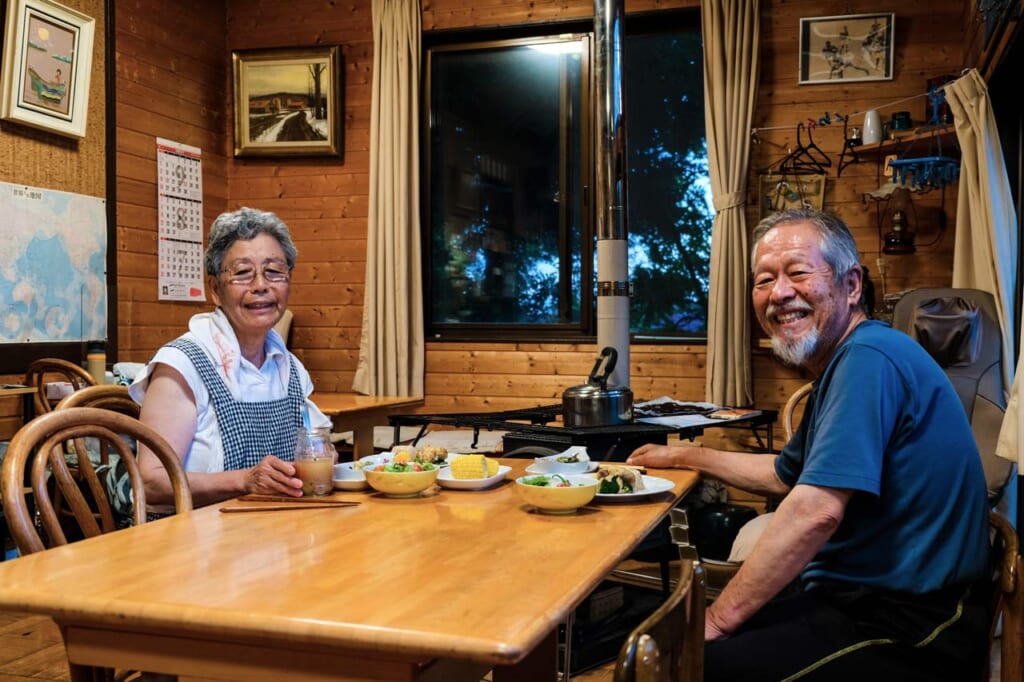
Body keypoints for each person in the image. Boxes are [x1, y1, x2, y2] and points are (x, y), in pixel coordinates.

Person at [627, 208, 991, 681]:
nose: (779, 293)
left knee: (694, 665)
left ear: (852, 285)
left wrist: (716, 619)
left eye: (798, 273)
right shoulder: (845, 361)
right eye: (764, 280)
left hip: (916, 618)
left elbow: (815, 510)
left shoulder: (868, 359)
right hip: (856, 595)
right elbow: (785, 473)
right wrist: (682, 454)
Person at [130, 207, 332, 512]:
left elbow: (319, 445)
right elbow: (150, 484)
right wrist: (244, 481)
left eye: (274, 271)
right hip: (191, 544)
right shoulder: (182, 366)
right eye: (242, 273)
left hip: (272, 535)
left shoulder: (288, 366)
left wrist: (323, 453)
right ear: (215, 288)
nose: (261, 285)